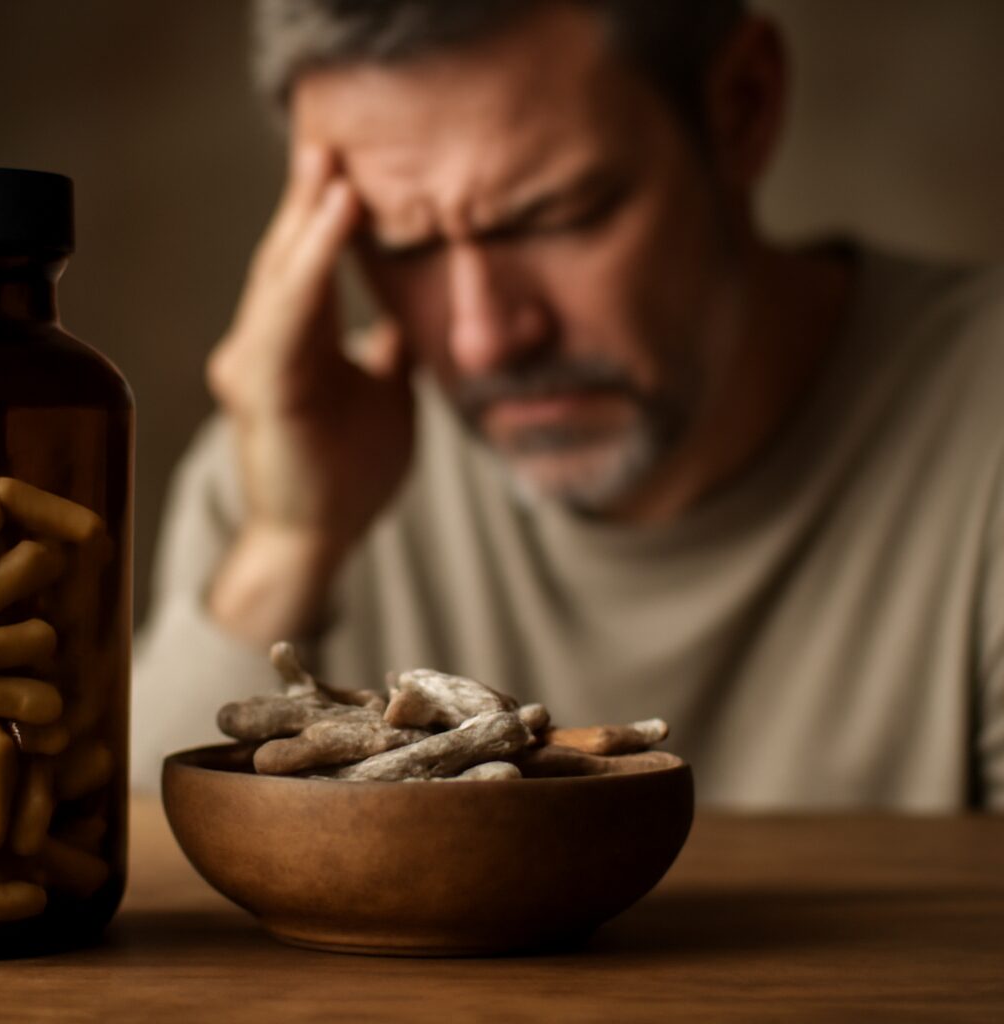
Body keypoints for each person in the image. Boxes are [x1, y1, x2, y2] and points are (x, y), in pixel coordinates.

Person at [131, 0, 1004, 809]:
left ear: (741, 107)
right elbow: (131, 909)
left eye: (555, 215)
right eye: (402, 244)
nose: (482, 339)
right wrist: (289, 547)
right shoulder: (293, 455)